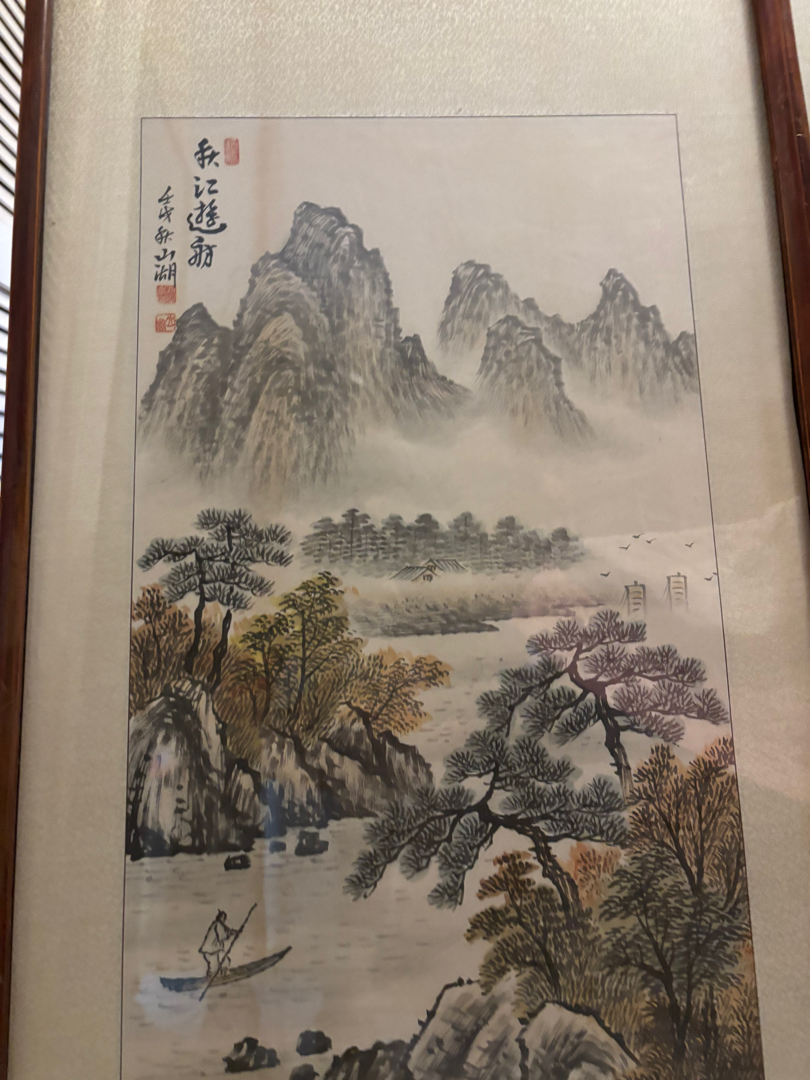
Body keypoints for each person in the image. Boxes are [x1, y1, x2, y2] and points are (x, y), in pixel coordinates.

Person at [199, 910, 238, 978]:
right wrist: (230, 934)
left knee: (225, 960)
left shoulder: (218, 924)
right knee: (214, 967)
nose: (224, 919)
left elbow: (226, 931)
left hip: (214, 949)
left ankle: (223, 973)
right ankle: (212, 977)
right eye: (223, 917)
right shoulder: (218, 924)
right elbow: (221, 936)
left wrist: (232, 932)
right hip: (210, 950)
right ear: (221, 917)